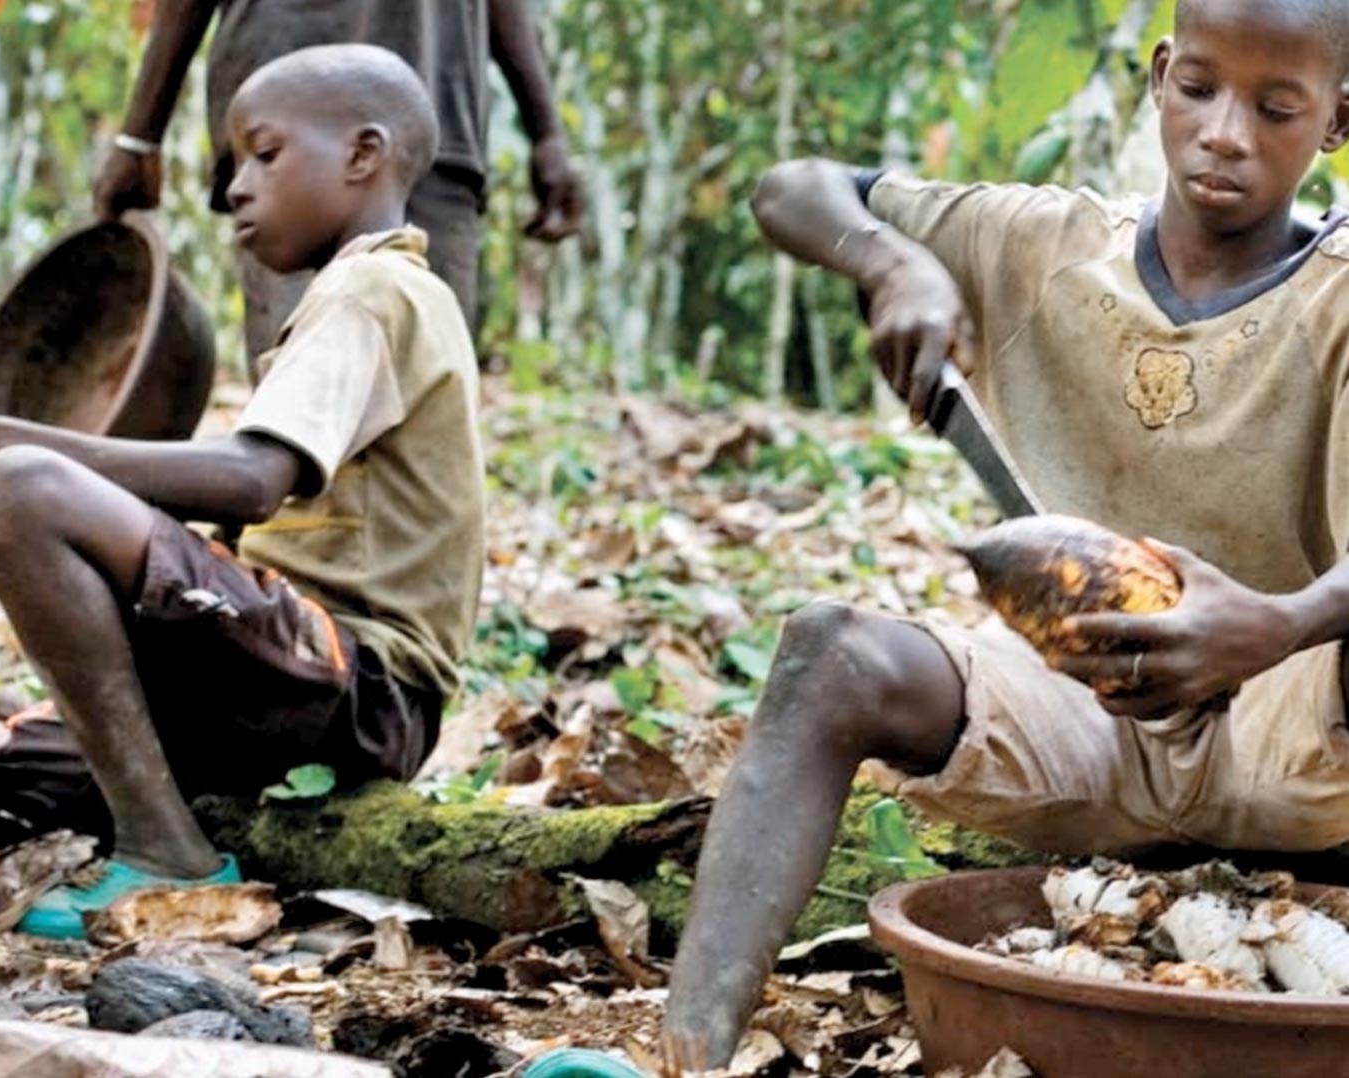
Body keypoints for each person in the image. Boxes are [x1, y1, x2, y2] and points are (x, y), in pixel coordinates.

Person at [661, 0, 1349, 1067]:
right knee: (831, 652)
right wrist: (892, 262)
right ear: (1158, 75)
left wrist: (1281, 622)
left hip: (1294, 723)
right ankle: (688, 1047)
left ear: (1337, 120)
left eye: (1276, 108)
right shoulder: (1047, 243)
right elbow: (790, 187)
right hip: (1078, 717)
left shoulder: (1337, 296)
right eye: (1199, 87)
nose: (1223, 132)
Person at [0, 44, 485, 939]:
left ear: (363, 155)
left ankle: (163, 849)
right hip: (287, 682)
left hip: (359, 688)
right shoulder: (371, 295)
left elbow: (253, 482)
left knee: (20, 484)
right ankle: (140, 819)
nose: (234, 193)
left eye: (264, 153)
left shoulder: (373, 290)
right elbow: (225, 521)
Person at [95, 0, 582, 359]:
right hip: (289, 120)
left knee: (425, 373)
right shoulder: (276, 161)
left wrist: (547, 131)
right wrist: (139, 137)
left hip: (434, 105)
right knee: (297, 374)